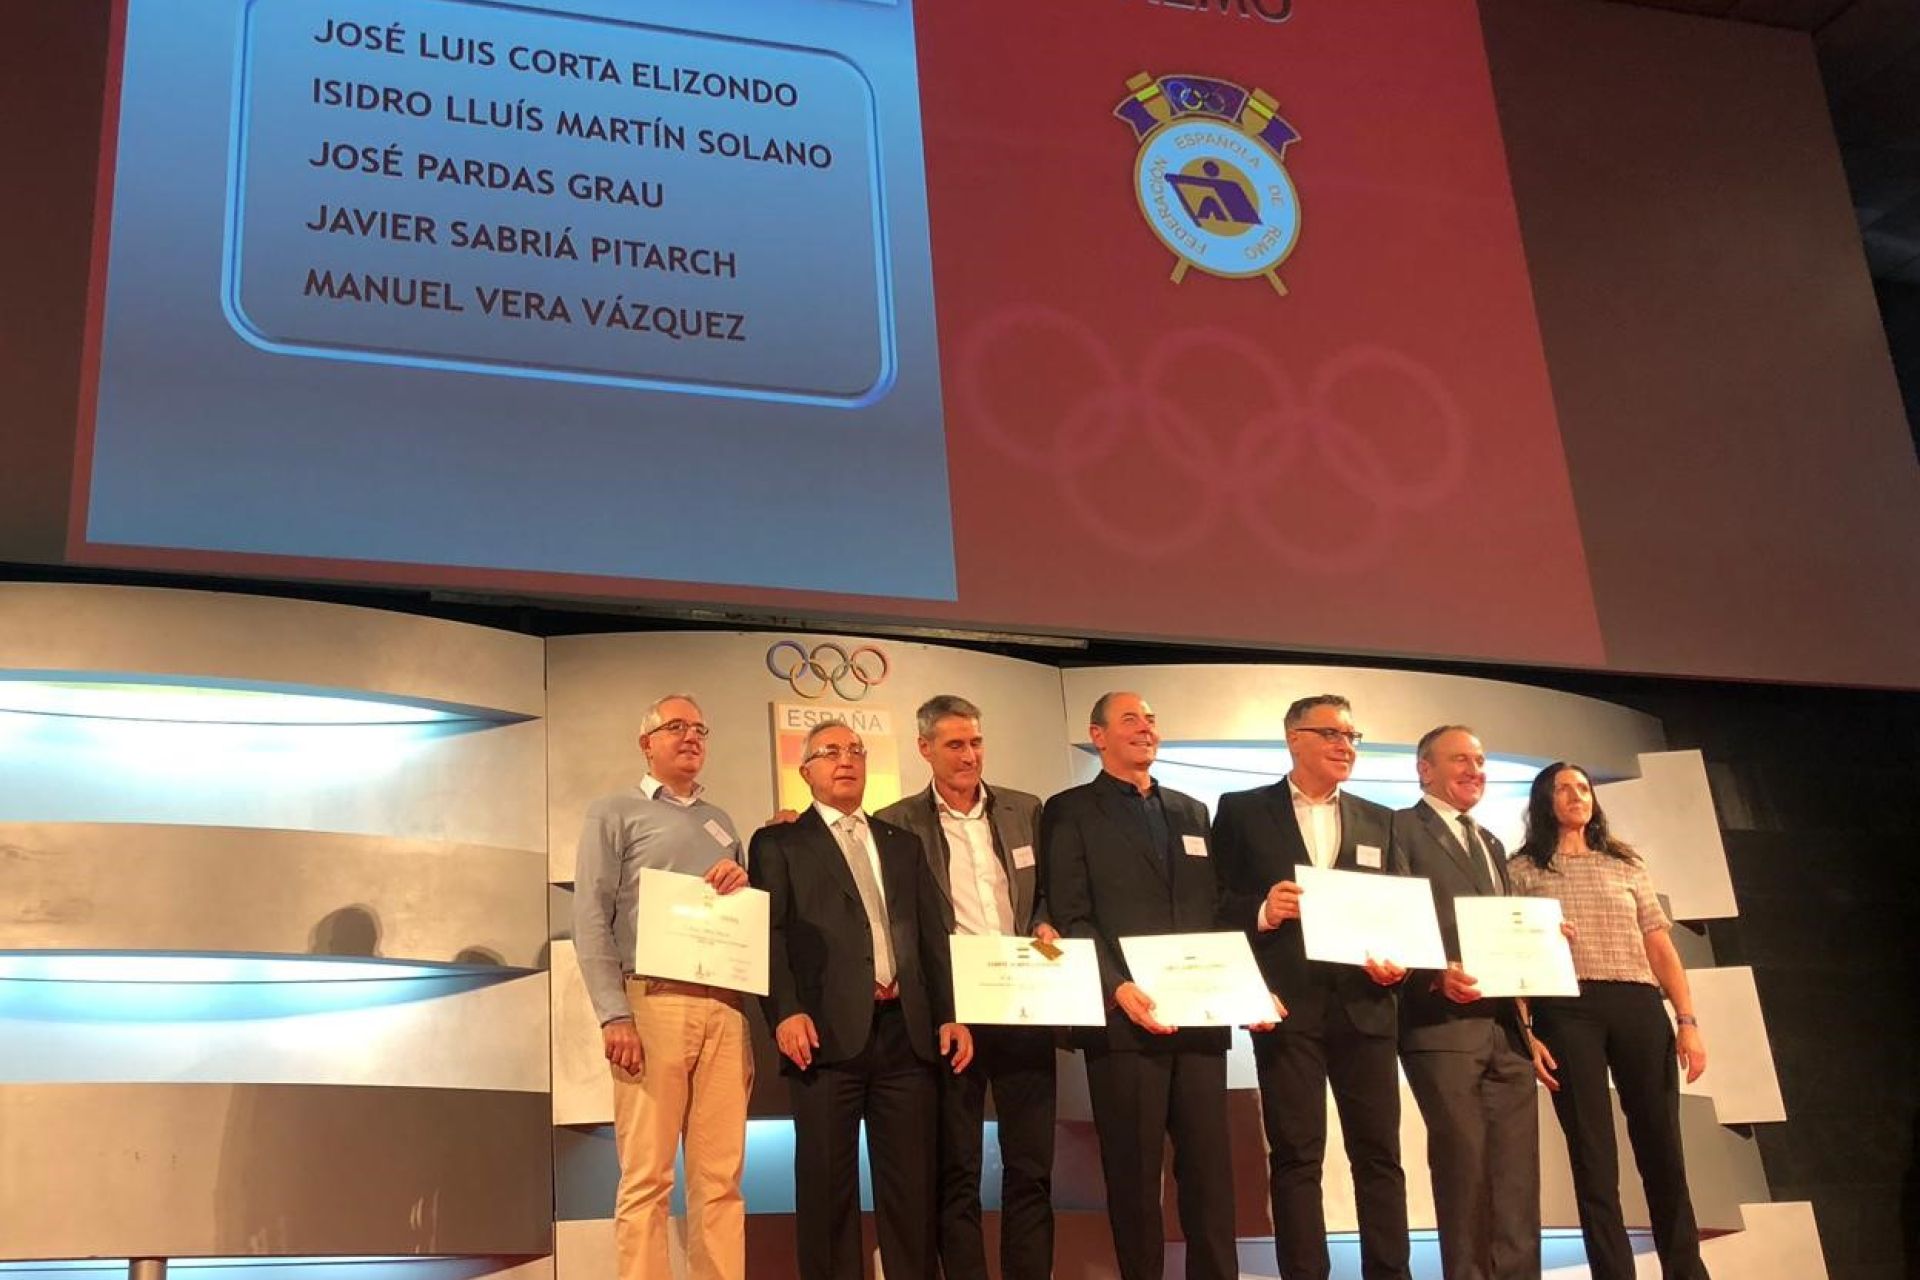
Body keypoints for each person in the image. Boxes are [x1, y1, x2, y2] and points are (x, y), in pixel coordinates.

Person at [1042, 690, 1277, 1280]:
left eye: (1151, 719)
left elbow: (1217, 910)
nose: (1146, 728)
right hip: (1124, 1023)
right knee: (1133, 1177)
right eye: (1131, 719)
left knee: (1209, 1174)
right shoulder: (1070, 810)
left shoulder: (1192, 810)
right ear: (1098, 736)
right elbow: (1072, 914)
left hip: (1198, 1022)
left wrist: (1250, 985)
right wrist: (1117, 987)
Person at [750, 718, 974, 1280]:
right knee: (827, 1192)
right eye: (830, 752)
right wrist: (785, 1011)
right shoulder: (778, 842)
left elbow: (932, 938)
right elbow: (768, 935)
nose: (846, 760)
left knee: (913, 1194)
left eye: (855, 750)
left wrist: (950, 1014)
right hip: (823, 1037)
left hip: (907, 1034)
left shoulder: (901, 844)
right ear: (806, 771)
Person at [1214, 693, 1413, 1280]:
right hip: (1286, 1008)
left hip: (1367, 1008)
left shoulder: (1381, 819)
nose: (1345, 746)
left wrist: (1399, 963)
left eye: (1352, 736)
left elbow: (1401, 912)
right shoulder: (1242, 811)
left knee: (1380, 1157)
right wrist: (1262, 910)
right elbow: (1213, 903)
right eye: (1331, 733)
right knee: (1298, 1157)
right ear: (1293, 738)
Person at [874, 694, 1058, 1280]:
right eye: (955, 744)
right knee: (958, 1170)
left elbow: (1048, 893)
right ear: (924, 749)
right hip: (954, 1013)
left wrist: (1046, 924)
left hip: (1025, 1003)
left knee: (1032, 1168)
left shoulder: (1025, 809)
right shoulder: (895, 822)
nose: (969, 755)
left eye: (976, 742)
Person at [571, 694, 754, 1280]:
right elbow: (590, 916)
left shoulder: (722, 821)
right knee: (647, 1177)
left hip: (725, 1008)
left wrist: (742, 881)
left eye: (700, 728)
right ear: (646, 742)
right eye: (676, 726)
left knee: (721, 1181)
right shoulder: (614, 811)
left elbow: (741, 919)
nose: (691, 736)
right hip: (653, 1004)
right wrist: (613, 1013)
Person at [1508, 762, 1711, 1280]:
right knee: (1592, 1157)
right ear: (1543, 800)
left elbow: (1658, 944)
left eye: (1583, 788)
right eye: (1563, 789)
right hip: (1565, 1008)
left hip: (1638, 1004)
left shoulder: (1625, 864)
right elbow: (1514, 955)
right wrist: (1526, 1032)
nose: (1576, 796)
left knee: (1663, 1148)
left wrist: (1687, 1020)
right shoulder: (1521, 870)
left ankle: (1686, 1271)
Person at [1394, 725, 1540, 1280]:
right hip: (1440, 1024)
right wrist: (1434, 975)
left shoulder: (1492, 842)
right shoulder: (1398, 827)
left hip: (1506, 1028)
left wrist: (1541, 941)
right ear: (1425, 769)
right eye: (1460, 759)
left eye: (1479, 761)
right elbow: (1393, 915)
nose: (1474, 770)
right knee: (1464, 1168)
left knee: (1517, 1174)